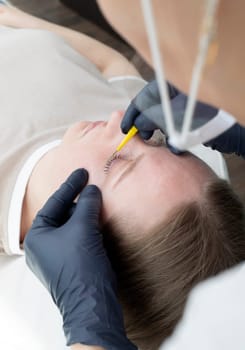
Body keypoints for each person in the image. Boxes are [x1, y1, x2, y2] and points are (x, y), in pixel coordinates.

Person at [4, 3, 242, 350]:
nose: (119, 119)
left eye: (119, 163)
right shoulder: (118, 116)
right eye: (159, 144)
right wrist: (16, 19)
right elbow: (111, 65)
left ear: (79, 234)